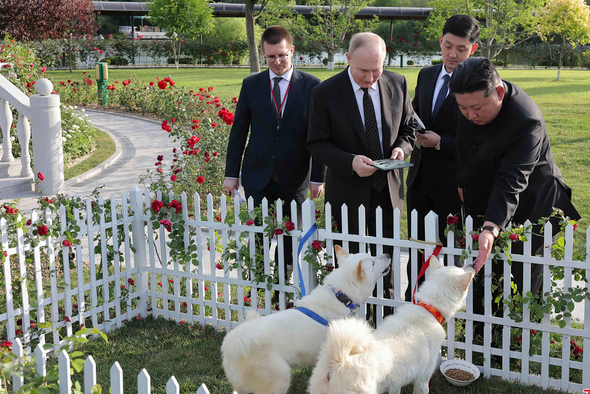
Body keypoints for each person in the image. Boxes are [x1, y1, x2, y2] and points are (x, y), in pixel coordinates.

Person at [448, 57, 581, 317]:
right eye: (463, 108)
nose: (469, 115)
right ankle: (482, 335)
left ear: (498, 92)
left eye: (476, 108)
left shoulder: (526, 121)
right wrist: (463, 183)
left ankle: (522, 341)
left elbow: (512, 180)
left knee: (524, 283)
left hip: (532, 207)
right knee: (484, 276)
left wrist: (491, 226)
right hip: (490, 199)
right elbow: (463, 144)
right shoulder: (468, 101)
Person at [307, 32, 416, 316]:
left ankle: (386, 321)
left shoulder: (397, 82)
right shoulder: (325, 92)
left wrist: (402, 149)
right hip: (347, 193)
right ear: (348, 59)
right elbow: (316, 144)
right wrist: (350, 161)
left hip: (388, 191)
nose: (370, 77)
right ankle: (351, 323)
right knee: (350, 267)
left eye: (376, 69)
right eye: (363, 70)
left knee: (386, 262)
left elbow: (409, 128)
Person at [224, 26, 325, 288]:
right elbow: (239, 132)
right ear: (263, 55)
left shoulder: (314, 87)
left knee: (289, 239)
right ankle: (259, 286)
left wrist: (318, 178)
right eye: (271, 57)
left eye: (282, 55)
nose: (277, 62)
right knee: (258, 237)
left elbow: (321, 137)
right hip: (258, 175)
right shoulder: (251, 85)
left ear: (292, 51)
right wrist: (231, 173)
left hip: (296, 178)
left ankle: (282, 288)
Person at [405, 15, 479, 301]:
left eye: (461, 49)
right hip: (420, 179)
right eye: (448, 46)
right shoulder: (426, 74)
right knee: (418, 249)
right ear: (440, 41)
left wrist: (440, 143)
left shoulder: (478, 81)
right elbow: (413, 114)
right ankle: (414, 302)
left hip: (455, 181)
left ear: (473, 49)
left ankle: (447, 309)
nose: (452, 54)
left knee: (450, 254)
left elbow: (479, 138)